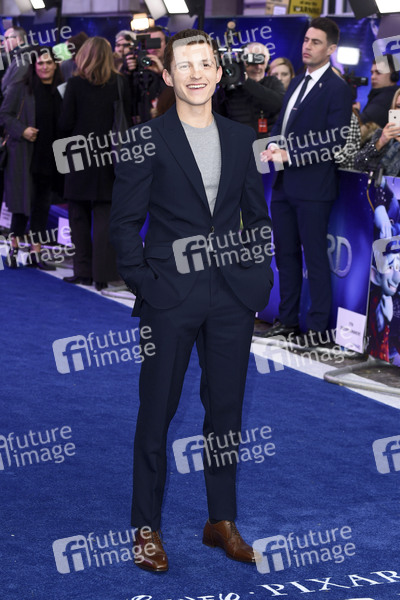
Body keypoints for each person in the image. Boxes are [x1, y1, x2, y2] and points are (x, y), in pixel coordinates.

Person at [110, 28, 273, 572]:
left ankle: (220, 521)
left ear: (219, 73)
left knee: (225, 413)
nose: (196, 74)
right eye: (185, 65)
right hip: (169, 296)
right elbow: (123, 225)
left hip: (232, 297)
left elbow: (257, 217)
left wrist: (258, 280)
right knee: (156, 412)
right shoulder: (146, 139)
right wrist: (147, 285)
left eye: (205, 64)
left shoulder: (240, 138)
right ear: (168, 74)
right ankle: (146, 528)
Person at [260, 17, 352, 340]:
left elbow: (335, 139)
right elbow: (282, 125)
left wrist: (291, 154)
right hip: (284, 185)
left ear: (331, 49)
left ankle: (316, 329)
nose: (307, 46)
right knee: (285, 256)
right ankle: (287, 321)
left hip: (314, 187)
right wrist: (273, 144)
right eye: (306, 40)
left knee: (315, 259)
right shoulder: (297, 82)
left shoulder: (339, 89)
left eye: (315, 42)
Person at [58, 36, 131, 289]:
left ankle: (83, 271)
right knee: (104, 217)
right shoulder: (120, 82)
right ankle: (102, 275)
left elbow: (65, 123)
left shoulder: (74, 84)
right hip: (110, 155)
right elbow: (127, 119)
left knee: (78, 215)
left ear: (83, 56)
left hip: (78, 155)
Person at [0, 47, 63, 269]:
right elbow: (4, 115)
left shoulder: (62, 89)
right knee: (21, 205)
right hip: (24, 155)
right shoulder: (20, 88)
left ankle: (36, 252)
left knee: (42, 206)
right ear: (33, 66)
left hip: (51, 156)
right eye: (40, 63)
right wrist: (22, 130)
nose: (44, 67)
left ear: (55, 65)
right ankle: (13, 248)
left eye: (48, 63)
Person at [354, 88, 400, 239]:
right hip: (375, 208)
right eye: (398, 106)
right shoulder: (381, 135)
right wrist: (380, 143)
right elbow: (358, 165)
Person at [215, 41, 284, 136]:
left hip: (267, 141)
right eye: (252, 60)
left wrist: (246, 81)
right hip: (239, 140)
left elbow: (278, 104)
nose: (258, 66)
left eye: (261, 60)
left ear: (267, 63)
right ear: (243, 61)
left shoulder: (273, 82)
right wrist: (223, 83)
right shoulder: (231, 88)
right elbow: (216, 114)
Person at [357, 54, 399, 129]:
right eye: (372, 73)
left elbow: (359, 126)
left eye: (378, 72)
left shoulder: (385, 99)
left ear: (393, 76)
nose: (372, 77)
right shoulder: (380, 96)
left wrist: (355, 111)